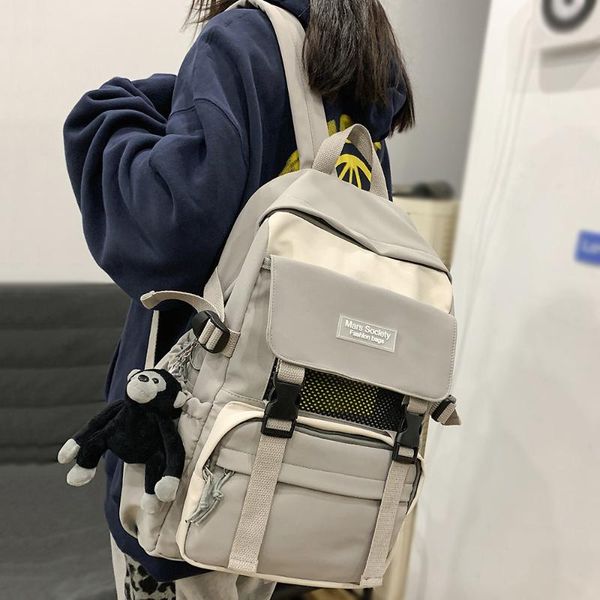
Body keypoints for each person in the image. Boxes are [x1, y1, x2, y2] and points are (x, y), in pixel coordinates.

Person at [63, 0, 414, 598]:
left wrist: (111, 114)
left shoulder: (243, 42)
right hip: (301, 452)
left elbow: (164, 234)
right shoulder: (361, 77)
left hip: (195, 457)